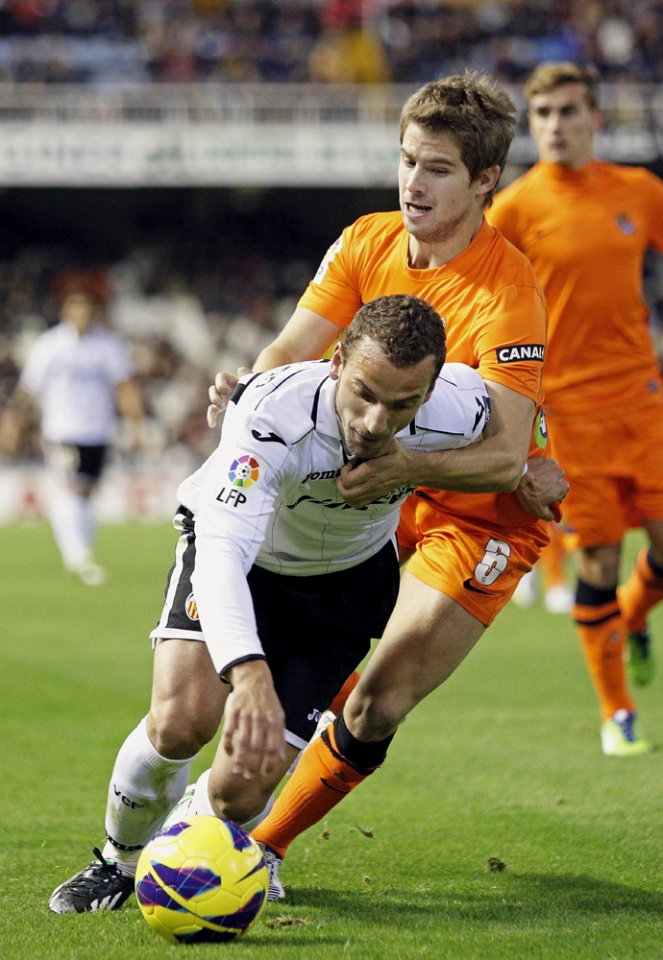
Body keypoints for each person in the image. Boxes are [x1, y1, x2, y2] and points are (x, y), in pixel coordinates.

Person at [202, 72, 568, 898]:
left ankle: (258, 849)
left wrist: (404, 467)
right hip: (379, 482)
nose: (413, 183)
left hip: (480, 514)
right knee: (302, 660)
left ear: (484, 182)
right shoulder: (365, 240)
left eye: (436, 168)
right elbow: (286, 353)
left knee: (376, 700)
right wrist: (251, 398)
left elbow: (508, 456)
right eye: (406, 161)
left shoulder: (507, 291)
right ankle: (208, 812)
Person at [48, 294, 492, 914]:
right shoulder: (271, 414)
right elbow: (223, 552)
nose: (373, 421)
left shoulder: (462, 405)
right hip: (246, 565)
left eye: (401, 404)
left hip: (343, 589)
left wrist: (532, 470)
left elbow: (520, 428)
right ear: (336, 362)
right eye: (363, 392)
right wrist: (248, 672)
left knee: (242, 789)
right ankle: (116, 863)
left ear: (432, 389)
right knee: (182, 722)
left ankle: (178, 850)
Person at [488, 62, 663, 756]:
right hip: (567, 412)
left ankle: (630, 617)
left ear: (596, 117)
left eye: (567, 111)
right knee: (595, 560)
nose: (555, 125)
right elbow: (478, 293)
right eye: (542, 114)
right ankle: (616, 712)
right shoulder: (515, 209)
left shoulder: (639, 191)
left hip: (642, 400)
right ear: (530, 125)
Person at [0, 291, 144, 585]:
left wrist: (136, 423)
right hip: (61, 430)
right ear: (66, 312)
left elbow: (125, 386)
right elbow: (28, 389)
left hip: (98, 430)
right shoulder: (50, 345)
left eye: (87, 310)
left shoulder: (108, 345)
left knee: (87, 491)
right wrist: (12, 424)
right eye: (76, 309)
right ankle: (78, 557)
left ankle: (81, 552)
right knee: (71, 487)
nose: (83, 316)